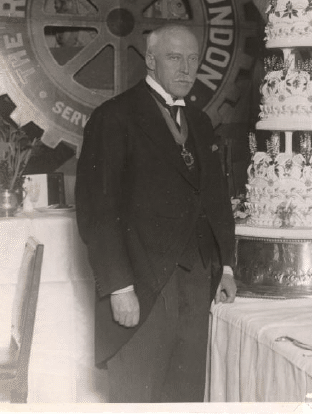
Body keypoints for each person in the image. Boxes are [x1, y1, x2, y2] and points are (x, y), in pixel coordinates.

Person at [76, 24, 237, 402]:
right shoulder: (113, 117)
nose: (186, 68)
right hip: (142, 286)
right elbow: (98, 211)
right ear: (150, 60)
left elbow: (216, 197)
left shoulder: (200, 121)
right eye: (174, 58)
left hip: (198, 282)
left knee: (186, 397)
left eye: (193, 59)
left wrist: (226, 266)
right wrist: (118, 288)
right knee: (137, 398)